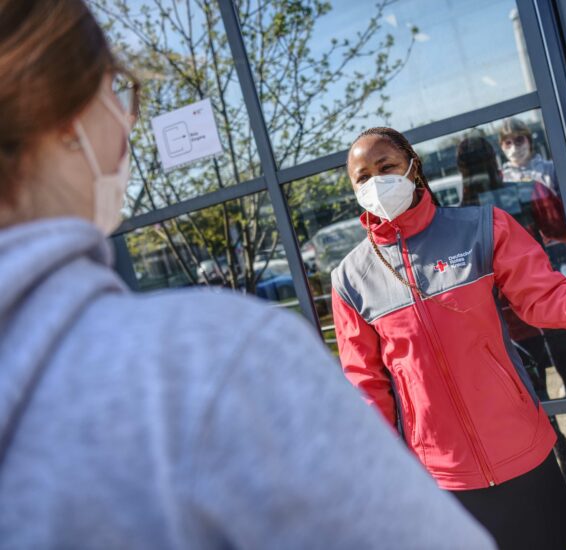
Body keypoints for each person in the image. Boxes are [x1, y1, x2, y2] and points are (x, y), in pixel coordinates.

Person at [0, 2, 498, 548]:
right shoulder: (215, 359)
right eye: (118, 89)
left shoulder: (478, 228)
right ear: (67, 116)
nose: (127, 117)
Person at [331, 126, 566, 550]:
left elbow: (552, 300)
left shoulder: (482, 228)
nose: (376, 182)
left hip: (521, 450)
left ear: (413, 168)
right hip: (440, 475)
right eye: (363, 177)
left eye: (386, 167)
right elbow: (366, 389)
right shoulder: (350, 279)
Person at [456, 130, 566, 482]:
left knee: (536, 390)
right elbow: (557, 228)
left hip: (506, 319)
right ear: (495, 160)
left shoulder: (461, 216)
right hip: (544, 304)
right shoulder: (520, 192)